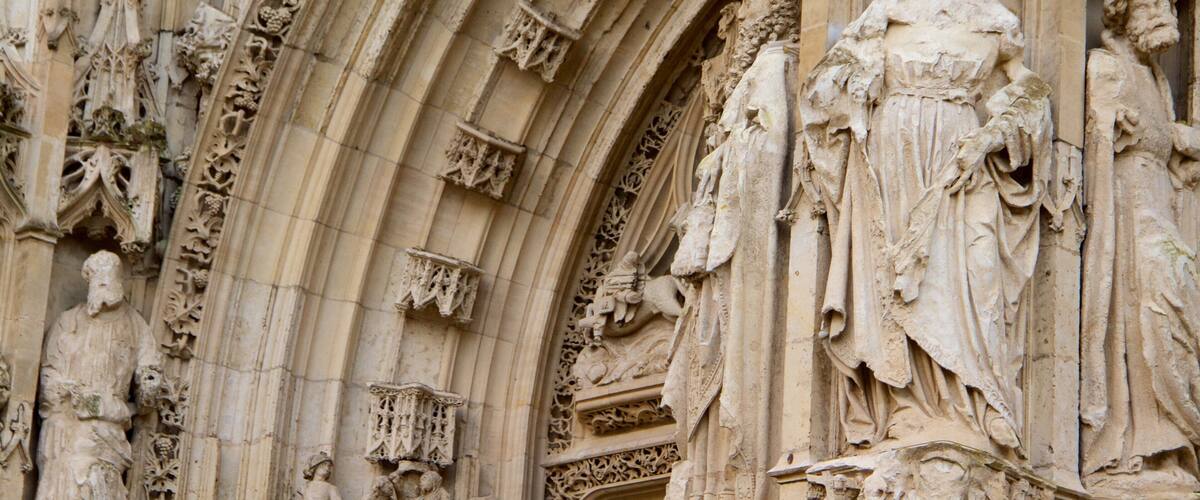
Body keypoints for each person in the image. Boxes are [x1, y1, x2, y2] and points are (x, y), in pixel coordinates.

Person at [795, 0, 1053, 456]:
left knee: (978, 272)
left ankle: (979, 399)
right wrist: (852, 80)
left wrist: (996, 131)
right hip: (895, 153)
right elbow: (823, 94)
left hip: (964, 155)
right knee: (896, 282)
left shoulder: (996, 23)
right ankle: (910, 407)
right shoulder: (884, 16)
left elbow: (1032, 91)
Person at [1081, 0, 1200, 496]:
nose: (1163, 14)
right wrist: (1111, 123)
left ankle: (1171, 439)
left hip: (1159, 202)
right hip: (1126, 208)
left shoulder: (1159, 80)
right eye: (1149, 4)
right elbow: (1094, 133)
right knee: (1145, 304)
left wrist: (1179, 143)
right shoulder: (1105, 66)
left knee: (1176, 305)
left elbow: (1165, 147)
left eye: (1168, 6)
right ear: (1120, 14)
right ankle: (1134, 442)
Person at [37, 250, 164, 499]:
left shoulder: (136, 326)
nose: (104, 285)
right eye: (99, 280)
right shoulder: (67, 322)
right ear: (90, 282)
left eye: (109, 278)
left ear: (120, 279)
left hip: (108, 433)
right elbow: (48, 377)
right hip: (65, 432)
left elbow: (149, 376)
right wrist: (68, 392)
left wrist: (149, 384)